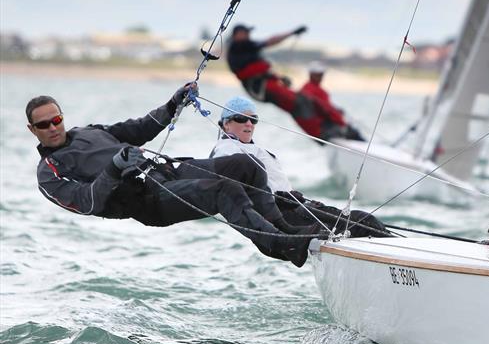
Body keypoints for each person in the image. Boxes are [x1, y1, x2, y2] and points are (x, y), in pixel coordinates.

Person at [29, 85, 321, 268]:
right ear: (33, 130)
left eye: (57, 120)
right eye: (44, 125)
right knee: (223, 191)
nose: (53, 128)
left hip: (166, 172)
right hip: (148, 201)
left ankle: (282, 230)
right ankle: (281, 243)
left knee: (246, 166)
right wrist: (115, 168)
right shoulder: (48, 173)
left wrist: (172, 105)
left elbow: (139, 128)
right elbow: (87, 202)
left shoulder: (88, 131)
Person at [210, 96, 390, 238]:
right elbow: (239, 189)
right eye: (241, 118)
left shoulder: (251, 148)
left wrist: (297, 197)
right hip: (281, 215)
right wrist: (280, 198)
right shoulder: (226, 151)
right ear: (226, 123)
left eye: (253, 119)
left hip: (298, 206)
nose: (249, 123)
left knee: (365, 221)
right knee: (360, 223)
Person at [226, 24, 362, 143]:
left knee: (304, 100)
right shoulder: (239, 45)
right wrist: (292, 33)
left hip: (266, 85)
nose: (249, 35)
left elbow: (258, 68)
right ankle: (324, 134)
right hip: (261, 87)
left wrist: (279, 78)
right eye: (246, 33)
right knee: (299, 103)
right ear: (238, 34)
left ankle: (333, 129)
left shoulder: (243, 48)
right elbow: (271, 41)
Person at [300, 61, 364, 142]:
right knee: (353, 133)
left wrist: (336, 110)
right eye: (318, 74)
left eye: (321, 74)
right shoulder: (313, 91)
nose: (321, 77)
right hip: (324, 128)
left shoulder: (306, 90)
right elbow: (326, 111)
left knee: (351, 131)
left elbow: (325, 107)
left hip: (322, 127)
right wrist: (341, 122)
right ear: (311, 74)